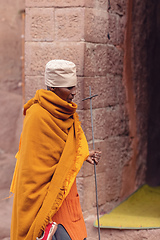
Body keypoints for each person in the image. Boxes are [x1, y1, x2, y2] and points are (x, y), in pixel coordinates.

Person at [10, 59, 101, 240]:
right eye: (68, 88)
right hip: (41, 197)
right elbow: (32, 165)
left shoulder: (67, 113)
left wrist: (83, 154)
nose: (74, 92)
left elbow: (65, 150)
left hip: (65, 194)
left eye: (74, 86)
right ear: (53, 88)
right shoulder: (37, 114)